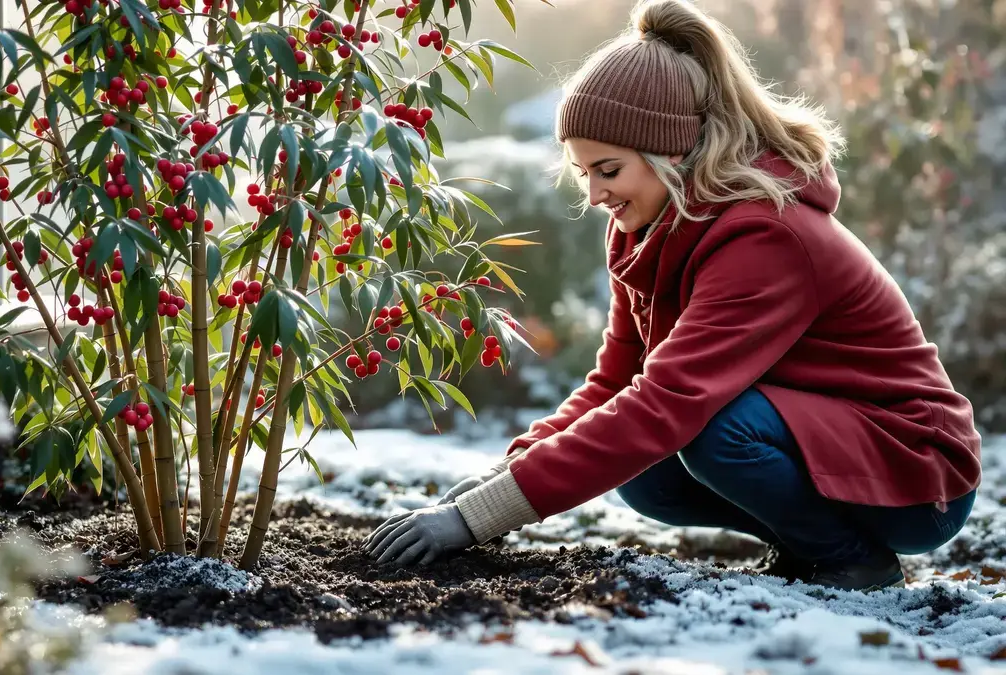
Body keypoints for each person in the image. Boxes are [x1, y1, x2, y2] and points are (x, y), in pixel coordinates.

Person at [363, 0, 981, 592]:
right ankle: (811, 543)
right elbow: (616, 380)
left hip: (916, 468)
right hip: (828, 443)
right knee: (645, 473)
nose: (594, 195)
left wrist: (477, 521)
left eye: (609, 170)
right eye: (583, 174)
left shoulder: (768, 236)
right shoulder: (648, 229)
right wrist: (497, 482)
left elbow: (668, 401)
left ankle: (851, 559)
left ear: (672, 151)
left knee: (708, 430)